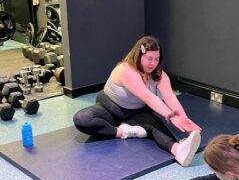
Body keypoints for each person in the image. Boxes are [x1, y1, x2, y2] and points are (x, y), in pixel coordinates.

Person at [73, 36, 202, 166]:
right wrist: (171, 116)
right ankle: (124, 131)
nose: (153, 63)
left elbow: (170, 97)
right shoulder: (125, 69)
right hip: (109, 109)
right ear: (139, 56)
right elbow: (148, 97)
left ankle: (178, 150)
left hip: (135, 113)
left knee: (154, 124)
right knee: (82, 119)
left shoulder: (159, 74)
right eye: (149, 59)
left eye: (156, 59)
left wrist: (184, 119)